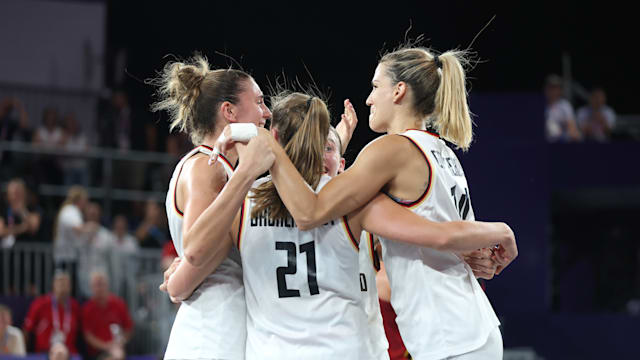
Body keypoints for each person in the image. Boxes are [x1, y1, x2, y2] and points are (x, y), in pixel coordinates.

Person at [173, 90, 515, 359]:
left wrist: (179, 274)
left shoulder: (242, 203)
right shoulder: (359, 203)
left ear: (273, 136)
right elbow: (435, 234)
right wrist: (482, 241)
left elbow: (192, 261)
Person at [257, 46, 517, 359]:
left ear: (398, 91)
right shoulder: (441, 150)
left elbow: (310, 210)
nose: (369, 98)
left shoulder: (391, 149)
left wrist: (270, 149)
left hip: (449, 335)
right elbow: (439, 232)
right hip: (468, 325)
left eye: (375, 87)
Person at [150, 54, 274, 360]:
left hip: (225, 327)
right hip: (212, 332)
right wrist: (179, 280)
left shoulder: (226, 171)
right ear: (229, 111)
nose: (266, 112)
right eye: (258, 102)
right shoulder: (208, 167)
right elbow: (198, 249)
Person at [23, 271, 81, 355]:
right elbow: (27, 329)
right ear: (53, 285)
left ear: (70, 287)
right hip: (43, 353)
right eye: (60, 282)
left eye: (66, 283)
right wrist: (24, 353)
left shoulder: (75, 306)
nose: (63, 285)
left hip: (69, 353)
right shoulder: (40, 304)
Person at [82, 270, 134, 360]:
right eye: (97, 285)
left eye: (101, 284)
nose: (99, 288)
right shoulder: (87, 308)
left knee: (118, 354)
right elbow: (88, 336)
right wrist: (106, 346)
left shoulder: (119, 304)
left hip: (118, 347)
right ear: (91, 287)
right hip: (97, 352)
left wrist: (121, 342)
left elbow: (128, 329)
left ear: (107, 285)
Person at [544, 74, 581, 142]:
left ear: (560, 90)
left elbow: (573, 130)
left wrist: (565, 131)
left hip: (561, 143)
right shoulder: (540, 105)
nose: (553, 91)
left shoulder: (565, 106)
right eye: (550, 88)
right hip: (543, 143)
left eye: (555, 88)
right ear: (546, 89)